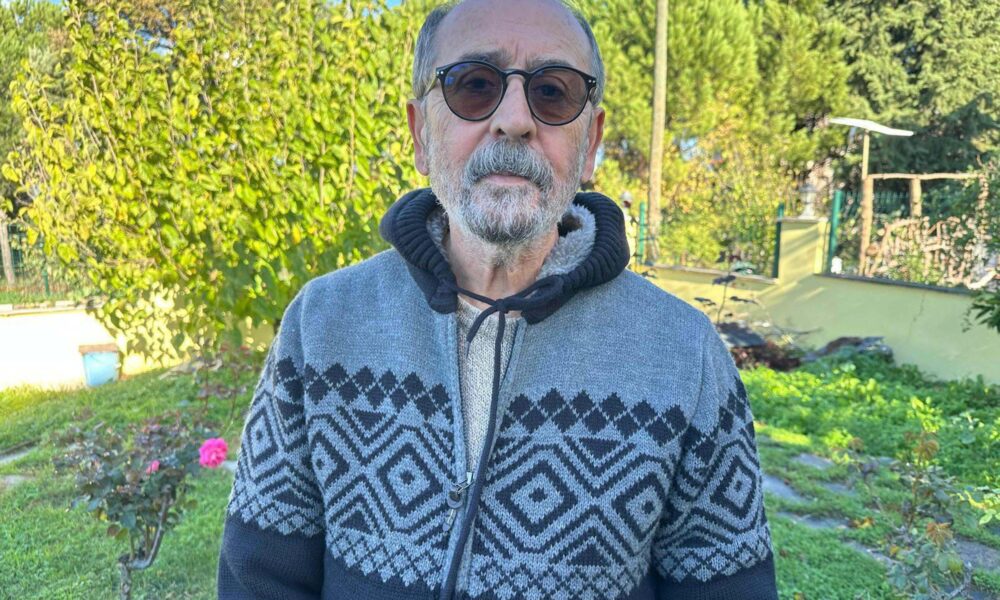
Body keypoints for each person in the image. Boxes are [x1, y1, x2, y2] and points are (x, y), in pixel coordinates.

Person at [217, 0, 778, 598]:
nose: (514, 120)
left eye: (553, 92)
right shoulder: (322, 324)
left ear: (590, 142)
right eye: (475, 85)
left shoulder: (685, 354)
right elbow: (258, 580)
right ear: (420, 133)